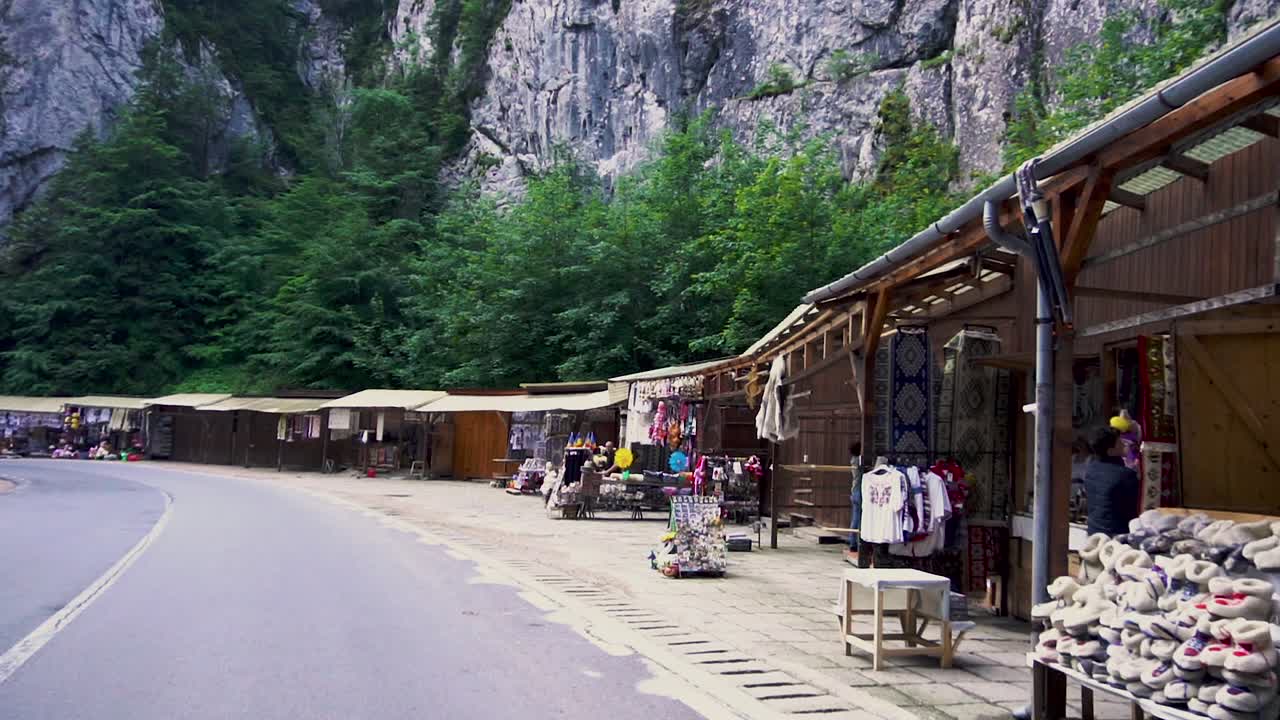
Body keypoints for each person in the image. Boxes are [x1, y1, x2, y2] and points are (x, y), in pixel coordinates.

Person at [1083, 426, 1140, 536]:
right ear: (1110, 451)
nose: (1124, 444)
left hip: (1093, 531)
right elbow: (1134, 512)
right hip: (1117, 536)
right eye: (1119, 442)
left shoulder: (1091, 468)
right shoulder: (1126, 475)